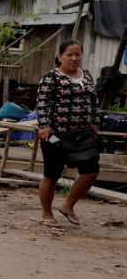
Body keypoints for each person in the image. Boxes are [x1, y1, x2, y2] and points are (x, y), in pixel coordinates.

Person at [36, 39, 100, 227]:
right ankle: (47, 213)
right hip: (55, 135)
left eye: (77, 54)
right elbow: (42, 103)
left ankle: (68, 206)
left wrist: (94, 123)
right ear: (60, 57)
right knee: (52, 173)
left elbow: (94, 101)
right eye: (69, 55)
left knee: (91, 171)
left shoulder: (86, 75)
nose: (74, 58)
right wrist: (44, 125)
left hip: (83, 134)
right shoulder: (51, 77)